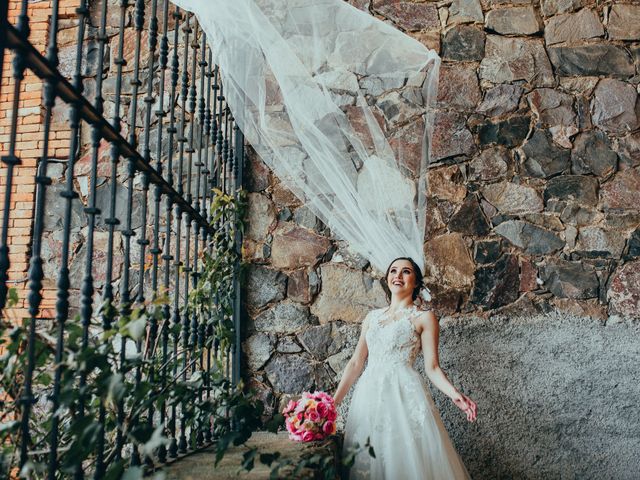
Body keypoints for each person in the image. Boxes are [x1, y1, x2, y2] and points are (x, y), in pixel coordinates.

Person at [333, 257, 477, 479]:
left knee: (402, 460)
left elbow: (433, 367)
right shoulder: (372, 318)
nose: (397, 276)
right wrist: (332, 404)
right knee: (370, 462)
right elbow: (355, 363)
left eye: (406, 271)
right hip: (369, 397)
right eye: (393, 270)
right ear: (387, 278)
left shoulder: (424, 318)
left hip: (402, 395)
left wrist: (454, 394)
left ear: (416, 282)